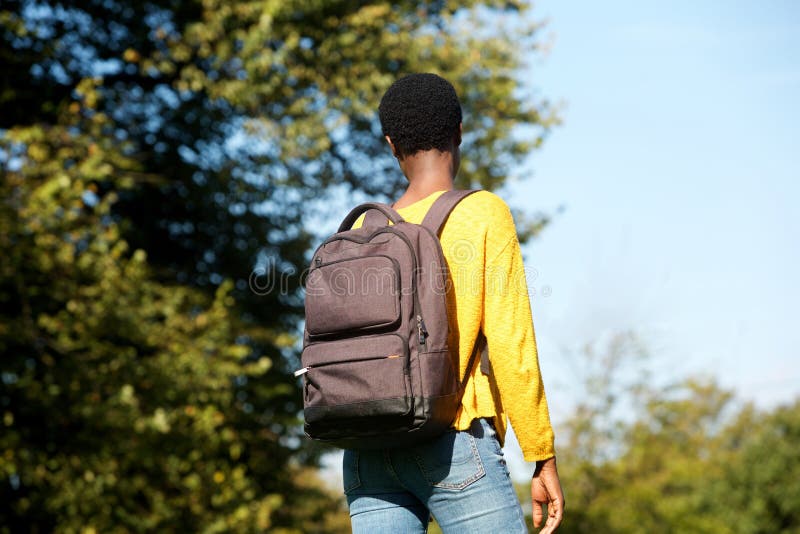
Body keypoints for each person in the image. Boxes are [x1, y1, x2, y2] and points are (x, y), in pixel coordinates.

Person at [343, 73, 564, 533]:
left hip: (367, 449)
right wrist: (540, 453)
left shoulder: (363, 228)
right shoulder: (482, 213)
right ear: (459, 131)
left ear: (390, 145)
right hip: (453, 439)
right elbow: (511, 343)